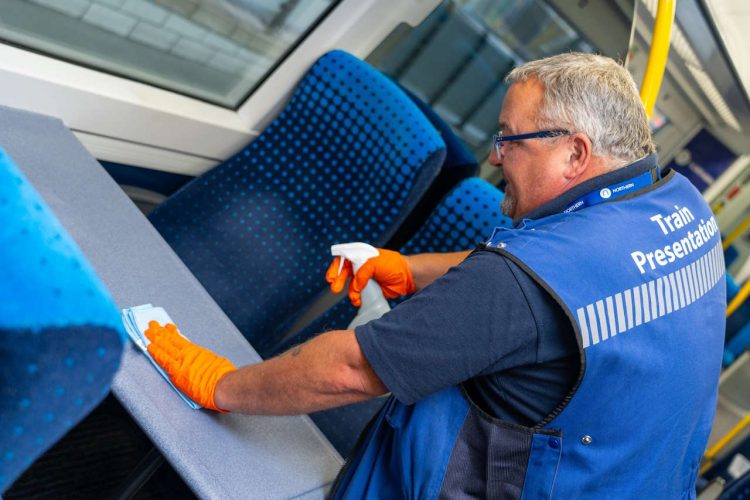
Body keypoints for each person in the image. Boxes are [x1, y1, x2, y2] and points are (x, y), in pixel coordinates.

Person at [144, 52, 726, 498]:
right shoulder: (679, 212)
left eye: (509, 139)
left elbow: (352, 369)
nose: (495, 157)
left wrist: (220, 385)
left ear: (575, 154)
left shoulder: (527, 282)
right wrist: (408, 270)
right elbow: (554, 283)